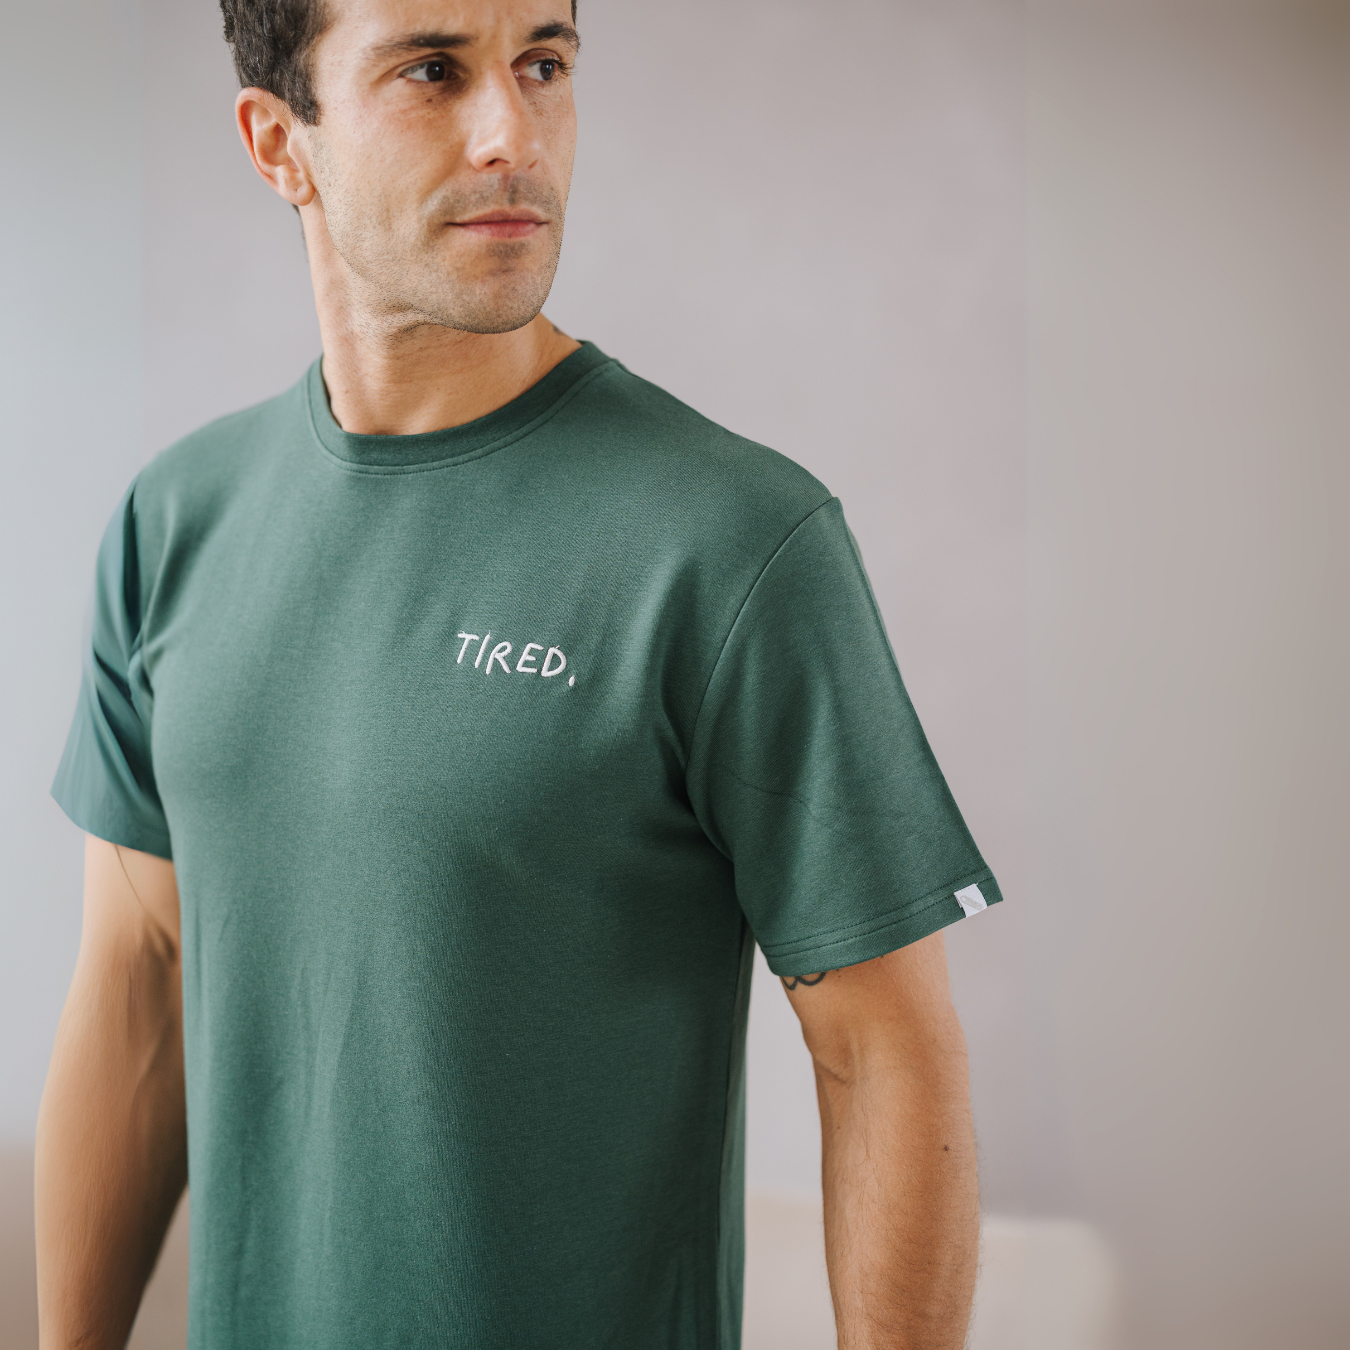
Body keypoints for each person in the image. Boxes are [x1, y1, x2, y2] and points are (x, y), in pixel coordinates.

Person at [35, 1, 1002, 1346]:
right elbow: (137, 981)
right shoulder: (175, 520)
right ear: (278, 143)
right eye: (432, 71)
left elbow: (882, 1053)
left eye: (542, 65)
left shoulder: (733, 541)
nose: (512, 133)